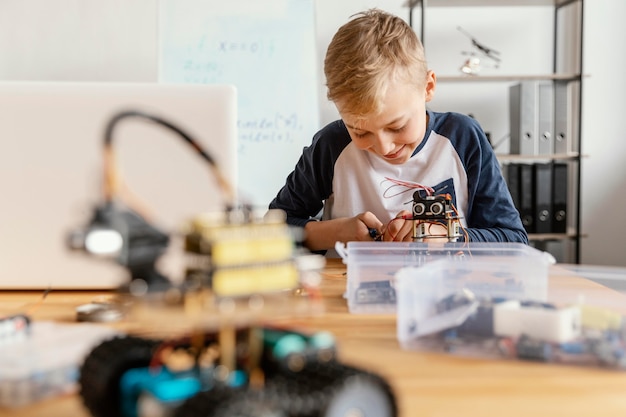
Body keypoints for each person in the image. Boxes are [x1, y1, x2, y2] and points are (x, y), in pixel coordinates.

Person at [269, 8, 527, 253]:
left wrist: (449, 236)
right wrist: (332, 232)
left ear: (427, 87)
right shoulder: (331, 145)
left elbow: (513, 241)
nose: (384, 147)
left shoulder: (463, 138)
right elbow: (272, 231)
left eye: (397, 127)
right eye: (360, 132)